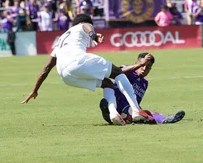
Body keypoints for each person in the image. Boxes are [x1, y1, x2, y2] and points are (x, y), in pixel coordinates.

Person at [21, 14, 153, 125]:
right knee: (117, 72)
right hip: (77, 61)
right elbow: (86, 26)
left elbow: (46, 68)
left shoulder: (61, 40)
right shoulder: (82, 26)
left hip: (66, 76)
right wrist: (93, 35)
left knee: (107, 83)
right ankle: (136, 110)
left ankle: (114, 113)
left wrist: (35, 90)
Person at [98, 53, 185, 125]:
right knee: (145, 115)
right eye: (142, 65)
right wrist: (138, 65)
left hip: (130, 109)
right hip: (117, 104)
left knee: (150, 112)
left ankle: (164, 119)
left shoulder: (144, 83)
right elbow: (117, 72)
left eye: (147, 67)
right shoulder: (128, 71)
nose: (143, 69)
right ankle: (111, 113)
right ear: (137, 63)